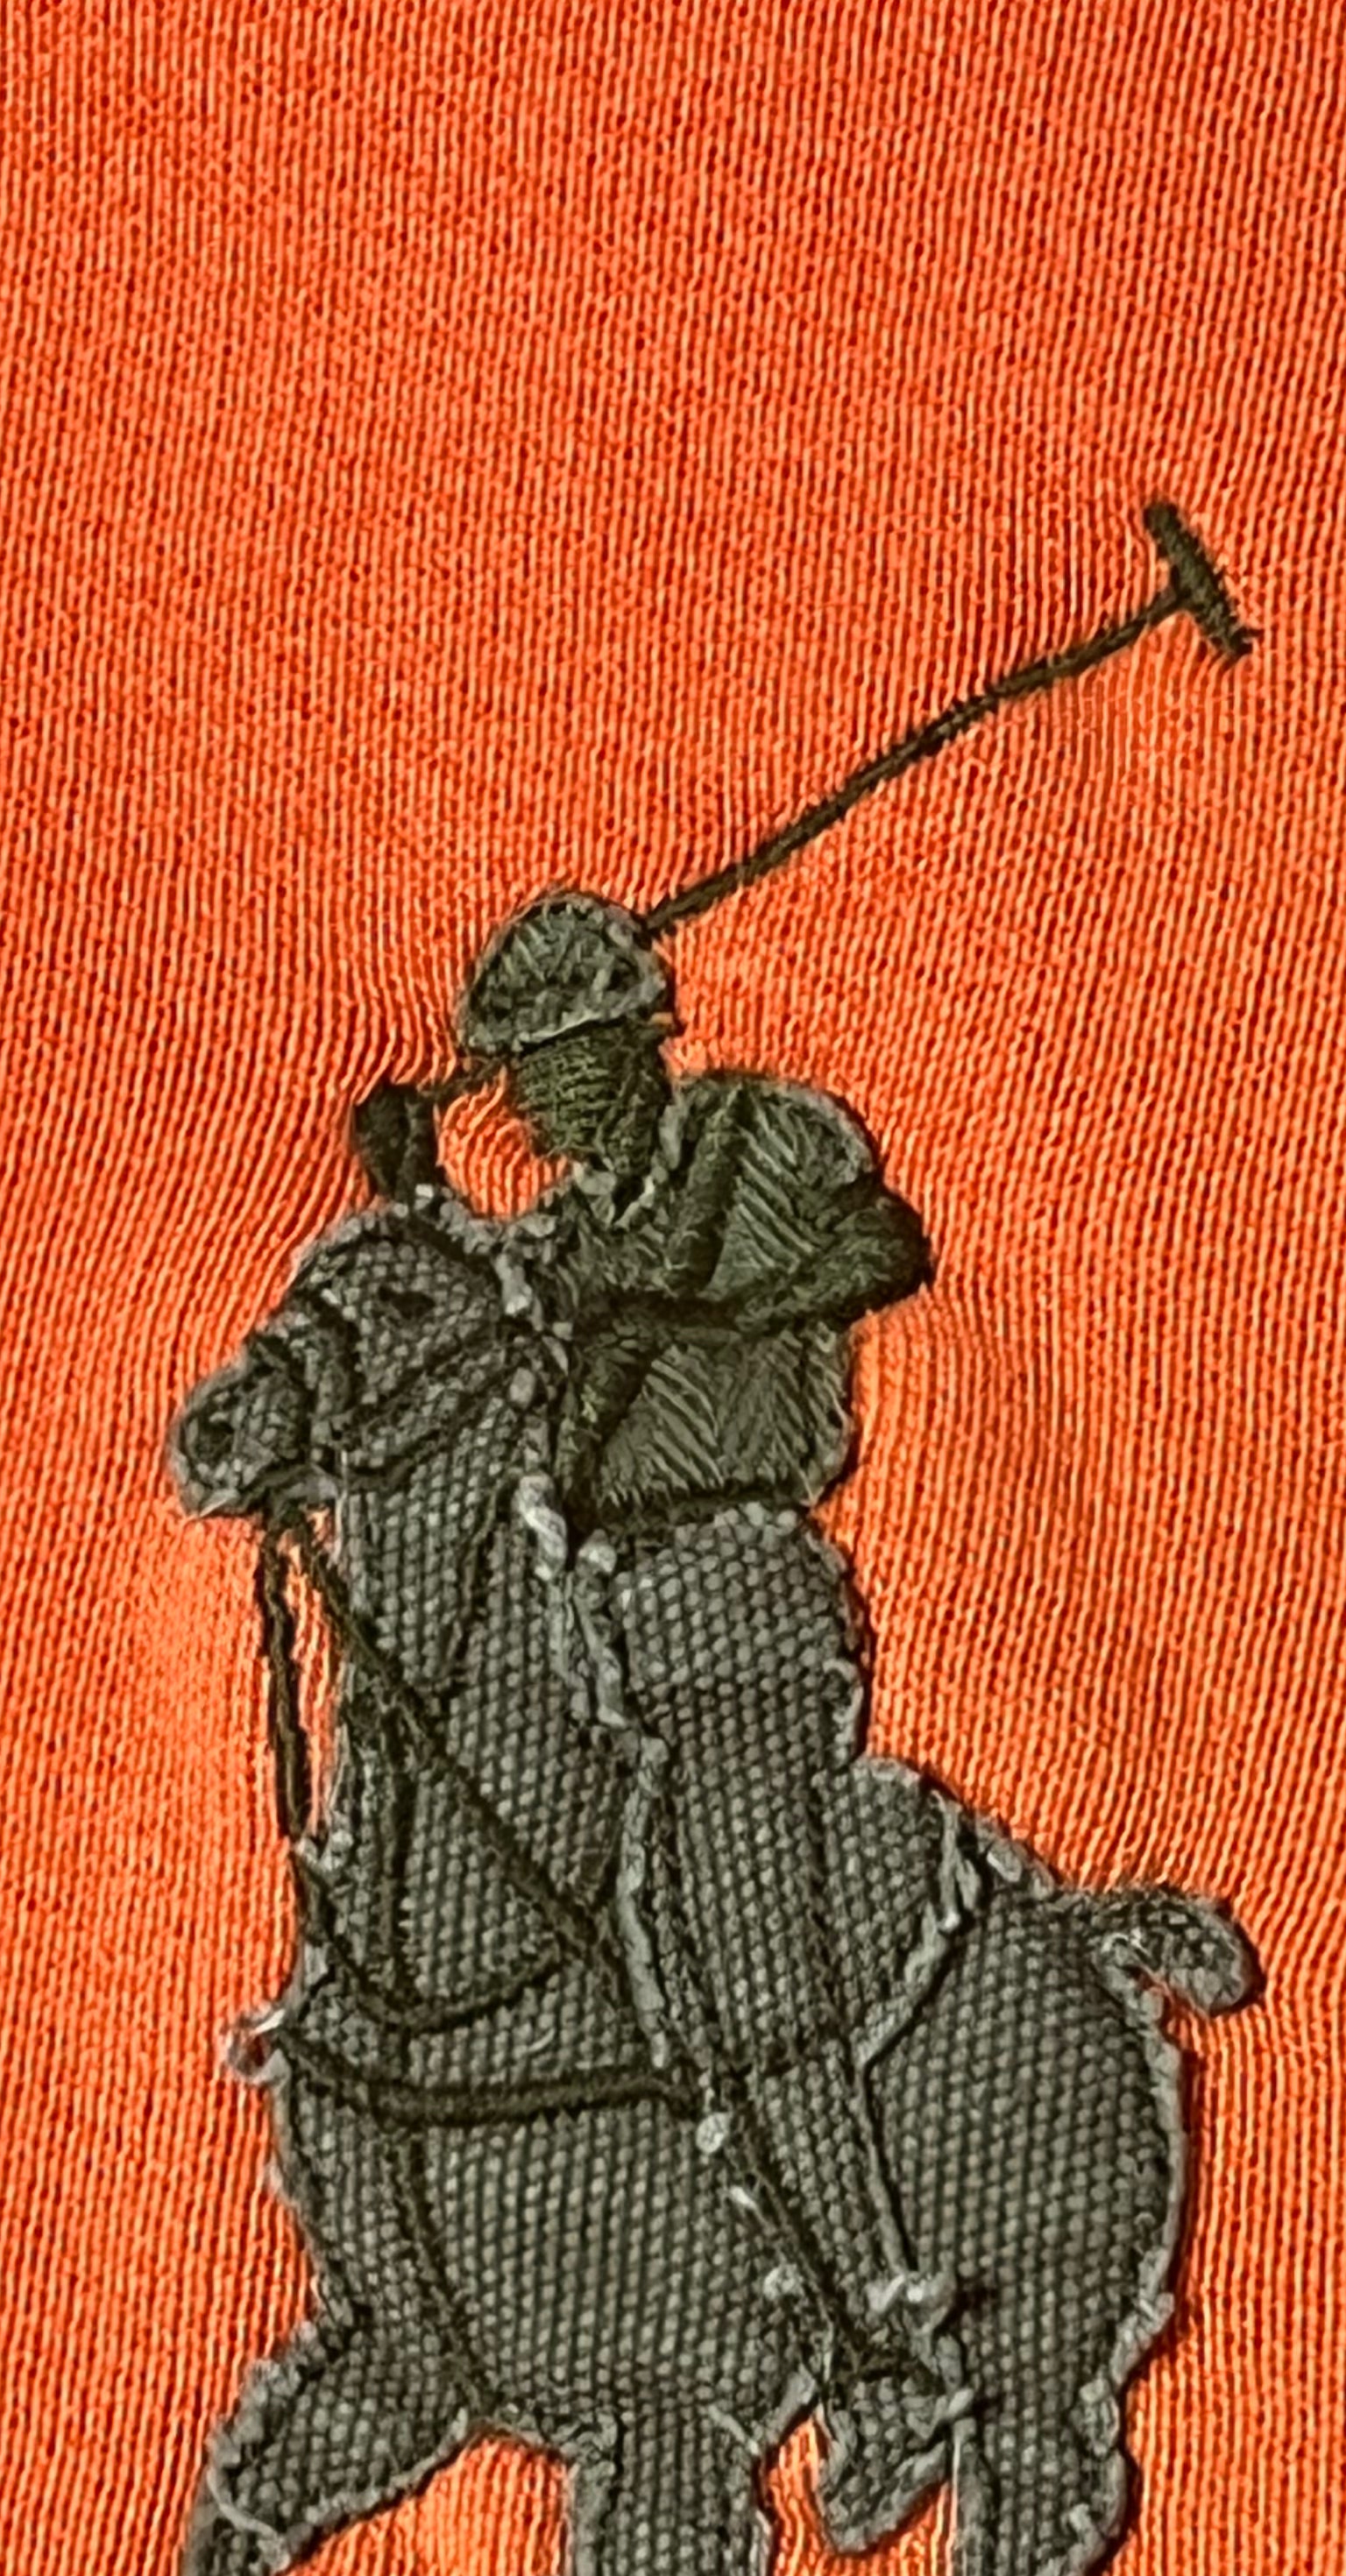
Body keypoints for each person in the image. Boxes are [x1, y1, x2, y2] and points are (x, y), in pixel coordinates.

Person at [351, 890, 953, 2464]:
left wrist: (686, 1311)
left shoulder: (753, 1138)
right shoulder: (559, 1236)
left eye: (548, 1067)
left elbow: (886, 1244)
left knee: (746, 1976)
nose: (533, 1109)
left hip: (742, 1604)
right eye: (513, 1081)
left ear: (628, 1043)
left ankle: (880, 2338)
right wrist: (414, 1194)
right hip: (599, 1639)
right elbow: (483, 1322)